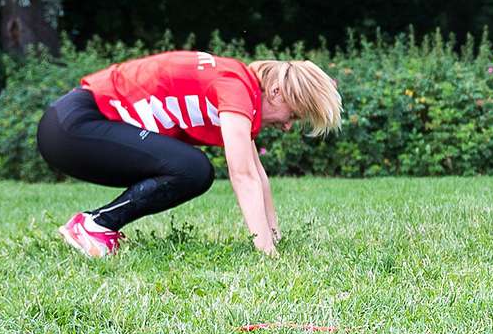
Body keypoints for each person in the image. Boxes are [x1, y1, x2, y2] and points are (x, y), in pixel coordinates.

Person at [36, 51, 341, 258]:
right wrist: (267, 254)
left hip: (70, 125)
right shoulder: (236, 88)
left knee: (189, 166)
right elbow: (243, 176)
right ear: (277, 93)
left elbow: (257, 173)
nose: (288, 125)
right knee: (193, 169)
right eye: (294, 115)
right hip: (72, 127)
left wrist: (274, 238)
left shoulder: (238, 82)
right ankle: (92, 226)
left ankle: (97, 225)